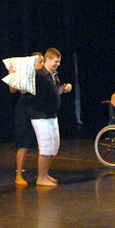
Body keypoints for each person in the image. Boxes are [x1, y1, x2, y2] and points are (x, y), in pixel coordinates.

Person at [29, 48, 72, 187]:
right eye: (56, 61)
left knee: (53, 148)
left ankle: (45, 174)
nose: (58, 64)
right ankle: (40, 178)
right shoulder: (39, 75)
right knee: (45, 147)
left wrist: (63, 89)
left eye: (59, 61)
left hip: (51, 115)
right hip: (40, 116)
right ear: (47, 59)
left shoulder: (53, 75)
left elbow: (53, 93)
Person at [9, 52, 45, 186]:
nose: (41, 64)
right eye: (39, 62)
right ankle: (18, 175)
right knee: (24, 143)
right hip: (25, 110)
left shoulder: (43, 75)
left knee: (43, 143)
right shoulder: (24, 73)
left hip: (39, 109)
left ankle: (43, 174)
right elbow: (12, 89)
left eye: (42, 62)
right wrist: (13, 74)